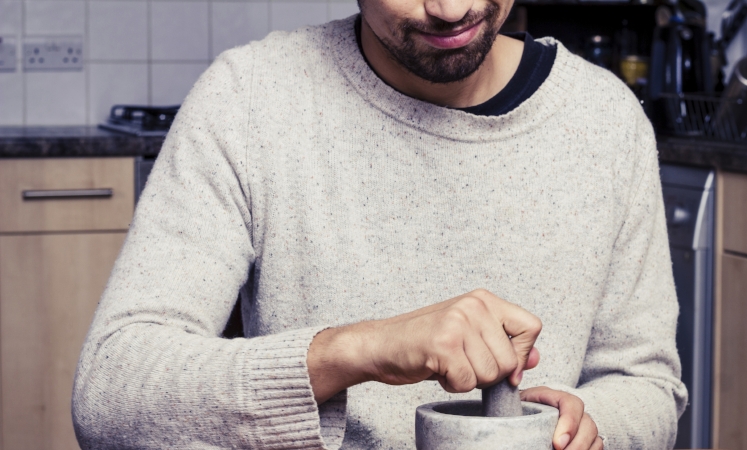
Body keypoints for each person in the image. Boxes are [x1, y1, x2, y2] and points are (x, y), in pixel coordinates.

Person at [72, 0, 688, 448]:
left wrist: (593, 426)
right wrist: (359, 350)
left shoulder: (605, 119)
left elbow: (645, 384)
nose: (451, 9)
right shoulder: (249, 100)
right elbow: (110, 394)